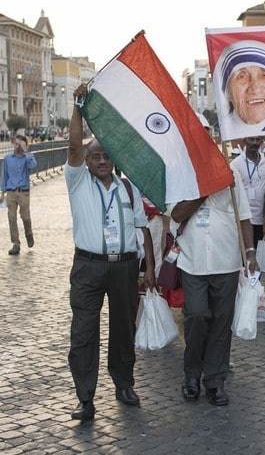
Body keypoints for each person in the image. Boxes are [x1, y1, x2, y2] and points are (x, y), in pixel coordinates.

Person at [65, 85, 156, 422]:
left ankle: (124, 383)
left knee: (123, 329)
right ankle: (85, 397)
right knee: (84, 332)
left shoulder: (127, 187)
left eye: (106, 156)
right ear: (86, 161)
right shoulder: (77, 182)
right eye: (95, 157)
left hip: (124, 267)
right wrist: (78, 105)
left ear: (114, 159)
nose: (102, 161)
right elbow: (75, 143)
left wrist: (149, 267)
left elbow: (143, 228)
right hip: (88, 266)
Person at [169, 148, 258, 406]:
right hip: (192, 261)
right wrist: (205, 188)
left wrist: (250, 252)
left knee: (221, 321)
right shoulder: (180, 176)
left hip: (226, 260)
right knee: (196, 316)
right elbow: (175, 214)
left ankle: (215, 381)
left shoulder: (231, 176)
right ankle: (191, 376)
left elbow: (244, 216)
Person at [230, 136, 265, 241]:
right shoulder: (235, 164)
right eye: (251, 139)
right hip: (245, 220)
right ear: (244, 140)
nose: (255, 143)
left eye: (258, 139)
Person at [2, 134, 37, 255]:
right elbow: (4, 176)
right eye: (16, 143)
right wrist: (2, 193)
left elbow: (33, 165)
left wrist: (26, 151)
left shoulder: (27, 158)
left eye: (19, 144)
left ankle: (29, 234)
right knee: (11, 218)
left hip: (23, 192)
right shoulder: (7, 159)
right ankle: (16, 244)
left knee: (25, 217)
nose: (16, 146)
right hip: (11, 192)